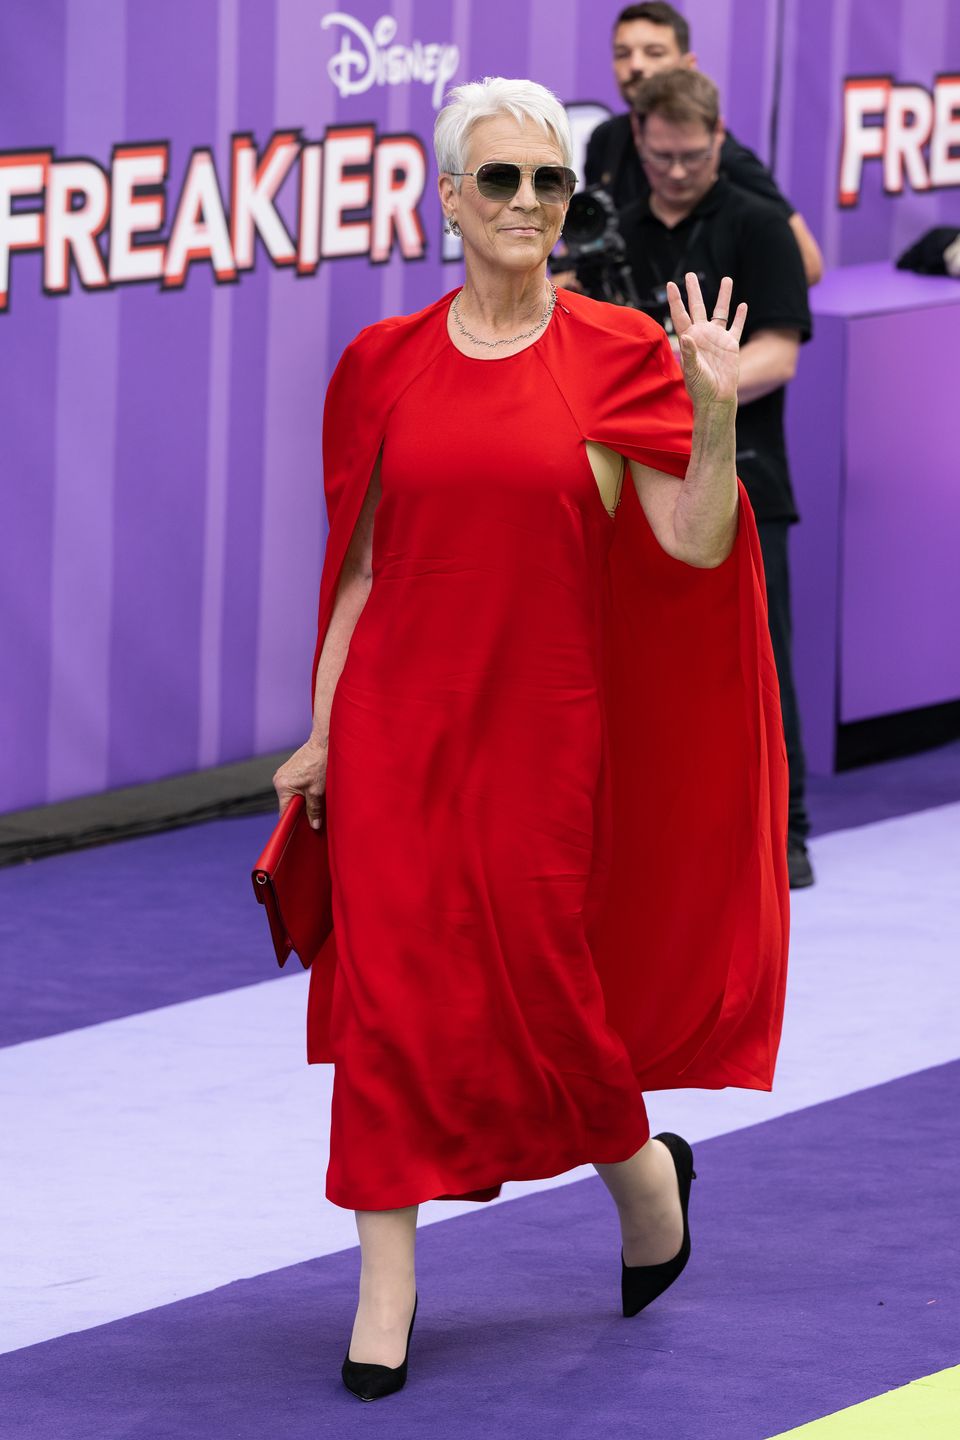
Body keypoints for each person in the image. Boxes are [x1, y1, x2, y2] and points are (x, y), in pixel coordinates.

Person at [273, 76, 790, 1403]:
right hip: (396, 728)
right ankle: (385, 1286)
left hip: (545, 735)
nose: (525, 204)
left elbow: (696, 542)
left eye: (548, 182)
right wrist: (322, 732)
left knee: (544, 999)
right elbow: (361, 576)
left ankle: (646, 1191)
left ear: (569, 202)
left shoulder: (619, 349)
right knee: (387, 1000)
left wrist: (717, 406)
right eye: (498, 179)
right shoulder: (379, 365)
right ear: (449, 197)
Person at [616, 68, 814, 886]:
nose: (676, 171)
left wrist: (690, 376)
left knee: (762, 661)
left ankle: (788, 831)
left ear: (720, 142)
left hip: (748, 475)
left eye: (692, 157)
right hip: (638, 485)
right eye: (662, 157)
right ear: (639, 143)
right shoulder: (613, 229)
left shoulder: (759, 225)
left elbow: (782, 351)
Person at [585, 1, 824, 286]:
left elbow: (808, 265)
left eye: (654, 53)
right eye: (622, 54)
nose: (636, 66)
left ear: (689, 65)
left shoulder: (727, 159)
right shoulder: (605, 139)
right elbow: (584, 241)